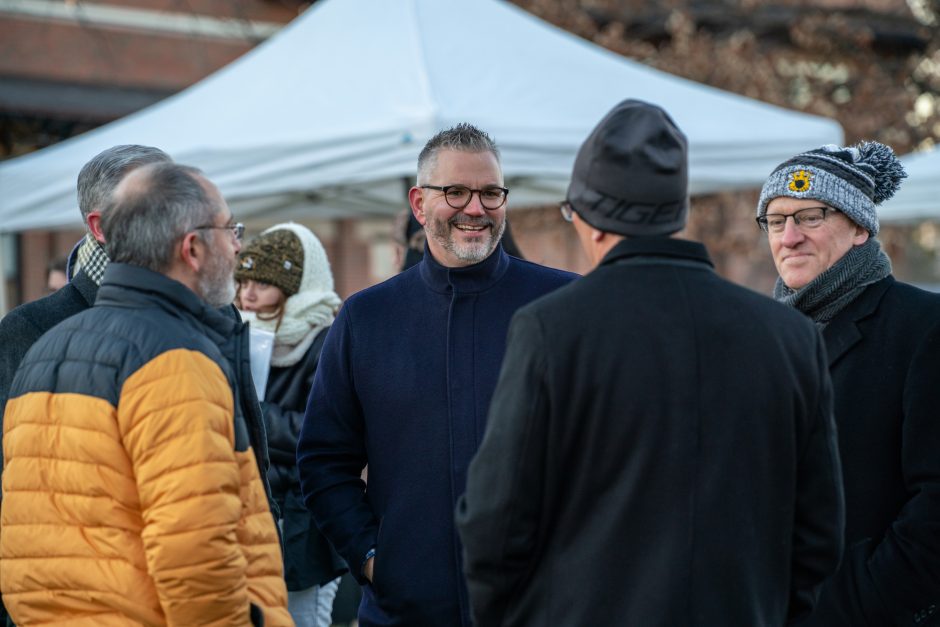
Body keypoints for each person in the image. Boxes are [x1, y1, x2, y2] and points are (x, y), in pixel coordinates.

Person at [455, 100, 846, 626]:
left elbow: (494, 525)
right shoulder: (788, 336)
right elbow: (819, 534)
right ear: (676, 215)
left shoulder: (551, 330)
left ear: (590, 220)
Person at [296, 123, 577, 626]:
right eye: (456, 192)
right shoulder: (366, 319)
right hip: (404, 613)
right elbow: (323, 461)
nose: (476, 208)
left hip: (542, 609)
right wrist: (373, 560)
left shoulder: (565, 305)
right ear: (419, 204)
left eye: (491, 192)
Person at [0, 162, 291, 626]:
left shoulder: (45, 349)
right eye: (229, 229)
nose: (238, 245)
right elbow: (194, 553)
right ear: (192, 247)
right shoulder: (175, 359)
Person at [756, 141, 940, 626]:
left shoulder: (924, 328)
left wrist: (852, 602)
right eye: (776, 221)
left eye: (811, 216)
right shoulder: (762, 339)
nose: (789, 237)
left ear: (860, 226)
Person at [0, 145, 171, 422]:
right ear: (100, 227)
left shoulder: (216, 311)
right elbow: (16, 458)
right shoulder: (32, 327)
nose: (180, 219)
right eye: (155, 209)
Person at [235, 222, 347, 627]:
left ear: (297, 284)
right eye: (243, 279)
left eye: (262, 281)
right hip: (252, 510)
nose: (248, 291)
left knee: (304, 618)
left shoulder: (327, 341)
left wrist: (252, 413)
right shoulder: (235, 334)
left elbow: (321, 433)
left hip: (304, 519)